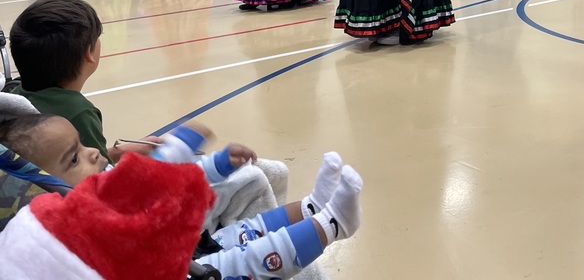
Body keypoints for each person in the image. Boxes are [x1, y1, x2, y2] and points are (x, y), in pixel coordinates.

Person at [0, 115, 363, 280]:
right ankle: (333, 225)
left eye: (82, 145)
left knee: (241, 232)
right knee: (243, 260)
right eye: (73, 159)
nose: (93, 153)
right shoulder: (76, 228)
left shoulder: (98, 188)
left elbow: (161, 181)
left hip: (187, 251)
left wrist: (218, 165)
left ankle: (313, 208)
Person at [10, 0, 123, 164]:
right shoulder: (78, 113)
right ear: (88, 53)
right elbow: (101, 173)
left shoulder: (13, 98)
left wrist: (119, 152)